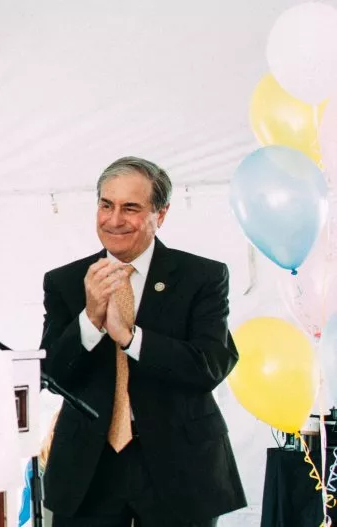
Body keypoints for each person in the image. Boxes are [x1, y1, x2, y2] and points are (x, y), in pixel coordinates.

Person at [40, 156, 246, 526]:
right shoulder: (66, 281)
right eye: (106, 205)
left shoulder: (202, 276)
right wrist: (89, 321)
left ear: (160, 215)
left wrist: (131, 338)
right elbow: (52, 376)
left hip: (179, 467)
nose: (114, 220)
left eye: (130, 208)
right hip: (88, 469)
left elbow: (210, 366)